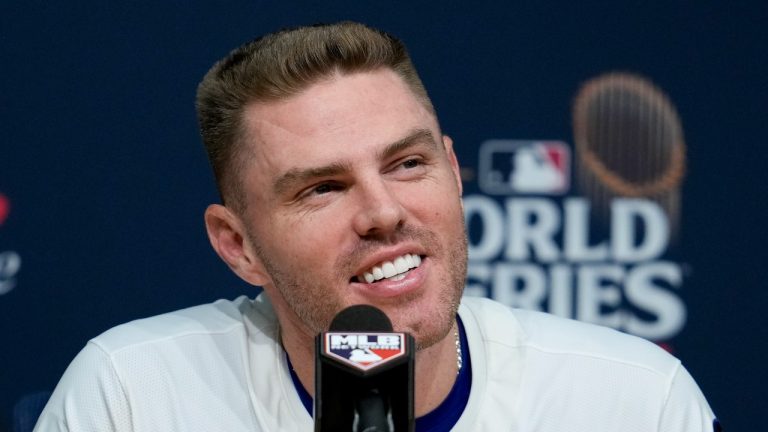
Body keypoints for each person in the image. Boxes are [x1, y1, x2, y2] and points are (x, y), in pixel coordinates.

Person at [34, 21, 718, 431]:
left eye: (409, 163)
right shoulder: (134, 396)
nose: (384, 211)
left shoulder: (630, 401)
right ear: (238, 245)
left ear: (453, 171)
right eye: (324, 188)